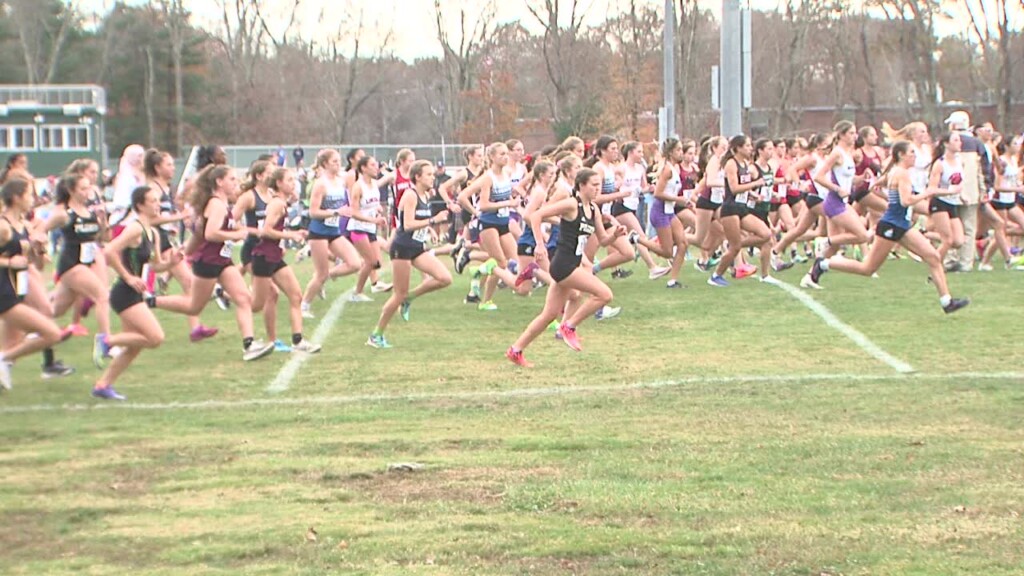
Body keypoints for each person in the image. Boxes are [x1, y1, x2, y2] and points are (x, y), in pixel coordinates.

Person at [799, 141, 970, 315]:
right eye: (911, 152)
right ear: (901, 155)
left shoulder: (896, 171)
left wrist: (943, 192)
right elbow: (906, 201)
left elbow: (876, 185)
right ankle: (824, 264)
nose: (915, 156)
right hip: (891, 226)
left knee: (933, 257)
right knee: (868, 269)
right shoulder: (901, 173)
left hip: (902, 225)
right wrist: (930, 192)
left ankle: (947, 302)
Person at [152, 165, 275, 361]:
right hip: (208, 262)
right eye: (232, 179)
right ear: (219, 182)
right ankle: (150, 301)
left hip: (222, 260)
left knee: (243, 298)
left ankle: (249, 345)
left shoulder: (221, 204)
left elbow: (201, 233)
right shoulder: (216, 204)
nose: (236, 183)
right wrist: (236, 235)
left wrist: (186, 250)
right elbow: (211, 234)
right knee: (194, 306)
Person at [505, 168, 625, 367]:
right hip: (563, 265)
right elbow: (536, 216)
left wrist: (615, 235)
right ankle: (569, 327)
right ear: (581, 185)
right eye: (594, 185)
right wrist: (540, 245)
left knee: (549, 315)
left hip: (572, 264)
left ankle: (515, 350)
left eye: (599, 185)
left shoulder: (593, 209)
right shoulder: (571, 204)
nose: (598, 188)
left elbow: (603, 240)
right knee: (604, 294)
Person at [367, 160, 453, 348]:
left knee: (445, 278)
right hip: (402, 248)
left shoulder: (425, 195)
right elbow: (407, 225)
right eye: (428, 174)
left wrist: (429, 230)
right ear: (417, 177)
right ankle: (376, 335)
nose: (432, 177)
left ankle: (410, 298)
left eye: (433, 174)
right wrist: (433, 221)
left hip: (417, 247)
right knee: (398, 294)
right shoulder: (410, 194)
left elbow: (418, 220)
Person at [0, 178, 65, 391]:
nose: (33, 199)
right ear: (16, 198)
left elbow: (35, 265)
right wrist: (9, 262)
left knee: (12, 344)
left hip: (17, 291)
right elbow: (12, 261)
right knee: (52, 334)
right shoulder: (3, 227)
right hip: (4, 294)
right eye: (29, 195)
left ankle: (4, 363)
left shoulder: (24, 227)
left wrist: (39, 249)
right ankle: (3, 361)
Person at [251, 168, 321, 353]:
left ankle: (298, 341)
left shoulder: (282, 203)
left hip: (274, 256)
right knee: (255, 305)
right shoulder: (276, 204)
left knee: (296, 296)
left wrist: (294, 233)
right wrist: (290, 235)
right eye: (289, 180)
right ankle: (225, 294)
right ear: (279, 183)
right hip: (264, 257)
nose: (293, 183)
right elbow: (266, 231)